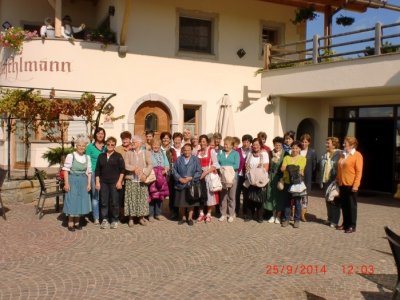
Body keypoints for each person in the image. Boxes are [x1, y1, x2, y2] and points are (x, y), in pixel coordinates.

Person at [62, 137, 92, 231]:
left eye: (83, 146)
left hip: (83, 180)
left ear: (85, 147)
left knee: (81, 200)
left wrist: (89, 184)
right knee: (72, 200)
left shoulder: (87, 157)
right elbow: (66, 171)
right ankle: (70, 222)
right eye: (79, 145)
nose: (81, 147)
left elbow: (89, 172)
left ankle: (77, 222)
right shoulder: (71, 156)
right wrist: (66, 184)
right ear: (76, 146)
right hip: (73, 180)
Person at [95, 137, 125, 229]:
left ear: (115, 145)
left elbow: (122, 170)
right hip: (103, 182)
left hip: (114, 182)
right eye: (108, 144)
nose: (110, 146)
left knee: (115, 202)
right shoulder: (101, 156)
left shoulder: (118, 156)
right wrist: (97, 182)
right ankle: (104, 219)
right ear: (106, 145)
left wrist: (119, 182)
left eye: (112, 144)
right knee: (104, 201)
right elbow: (97, 170)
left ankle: (114, 219)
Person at [124, 135, 153, 227]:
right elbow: (125, 165)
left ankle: (141, 218)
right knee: (131, 199)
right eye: (132, 141)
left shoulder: (146, 153)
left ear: (140, 143)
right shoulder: (128, 153)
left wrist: (145, 174)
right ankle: (131, 218)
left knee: (142, 199)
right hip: (131, 179)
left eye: (134, 142)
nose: (132, 143)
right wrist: (134, 168)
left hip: (142, 179)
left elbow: (150, 164)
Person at [336, 136, 363, 234]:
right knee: (344, 205)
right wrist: (338, 179)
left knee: (351, 206)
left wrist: (356, 185)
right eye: (344, 143)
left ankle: (352, 225)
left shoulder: (357, 155)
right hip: (342, 183)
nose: (343, 145)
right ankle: (345, 223)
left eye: (345, 143)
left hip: (351, 184)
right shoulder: (342, 154)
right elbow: (339, 168)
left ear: (352, 145)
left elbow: (359, 171)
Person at [173, 143, 202, 226]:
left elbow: (199, 171)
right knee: (181, 203)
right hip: (180, 183)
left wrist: (191, 178)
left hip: (191, 184)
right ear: (183, 150)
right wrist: (180, 178)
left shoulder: (195, 159)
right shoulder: (179, 159)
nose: (186, 152)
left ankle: (190, 218)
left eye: (188, 150)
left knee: (191, 203)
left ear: (191, 150)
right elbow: (174, 170)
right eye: (185, 150)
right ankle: (183, 217)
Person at [281, 141, 307, 228]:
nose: (294, 150)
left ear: (299, 149)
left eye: (296, 148)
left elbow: (299, 169)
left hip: (297, 183)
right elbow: (282, 168)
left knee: (297, 202)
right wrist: (291, 168)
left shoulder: (303, 158)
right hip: (287, 182)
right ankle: (286, 219)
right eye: (293, 148)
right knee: (287, 202)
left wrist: (289, 167)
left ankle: (297, 220)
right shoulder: (286, 157)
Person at [244, 138, 269, 223]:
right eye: (254, 145)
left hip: (261, 180)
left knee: (259, 198)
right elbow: (246, 165)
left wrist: (257, 178)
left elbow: (266, 167)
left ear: (260, 145)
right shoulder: (250, 153)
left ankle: (259, 216)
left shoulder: (264, 154)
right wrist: (251, 177)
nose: (255, 146)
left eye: (257, 144)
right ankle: (249, 215)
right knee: (249, 198)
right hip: (250, 179)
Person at [318, 137, 341, 228]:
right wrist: (320, 180)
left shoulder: (339, 154)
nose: (326, 145)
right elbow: (321, 169)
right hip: (326, 180)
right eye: (326, 143)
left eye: (328, 143)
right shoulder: (325, 155)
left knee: (334, 201)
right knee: (327, 200)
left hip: (335, 181)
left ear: (334, 144)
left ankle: (335, 221)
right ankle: (330, 218)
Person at [197, 135, 220, 223]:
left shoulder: (211, 151)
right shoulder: (197, 152)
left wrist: (205, 173)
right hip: (199, 175)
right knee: (200, 195)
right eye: (201, 141)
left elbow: (215, 165)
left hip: (209, 175)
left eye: (204, 141)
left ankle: (209, 214)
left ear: (207, 142)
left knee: (209, 195)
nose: (202, 143)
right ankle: (201, 213)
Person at [86, 127, 106, 225]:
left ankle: (104, 216)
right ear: (95, 135)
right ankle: (96, 217)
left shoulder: (106, 147)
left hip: (105, 174)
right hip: (94, 174)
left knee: (104, 196)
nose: (100, 135)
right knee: (96, 196)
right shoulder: (90, 147)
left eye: (102, 133)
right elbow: (87, 162)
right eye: (98, 133)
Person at [217, 136, 240, 223]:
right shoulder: (221, 153)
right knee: (223, 196)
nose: (225, 146)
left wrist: (225, 168)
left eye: (227, 144)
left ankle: (231, 214)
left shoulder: (235, 153)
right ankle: (223, 214)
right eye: (224, 144)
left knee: (231, 196)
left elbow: (236, 165)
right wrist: (222, 168)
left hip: (232, 178)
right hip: (222, 178)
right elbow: (217, 163)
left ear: (231, 145)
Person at [264, 136, 286, 224]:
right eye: (276, 145)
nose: (277, 147)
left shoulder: (285, 154)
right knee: (271, 195)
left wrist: (283, 178)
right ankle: (273, 215)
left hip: (280, 177)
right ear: (274, 145)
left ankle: (278, 216)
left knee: (279, 196)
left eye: (279, 145)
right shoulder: (270, 153)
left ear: (282, 145)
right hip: (271, 176)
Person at [148, 138, 170, 221]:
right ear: (151, 145)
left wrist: (165, 170)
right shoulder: (149, 154)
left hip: (162, 177)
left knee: (160, 196)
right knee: (152, 196)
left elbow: (167, 164)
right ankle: (150, 215)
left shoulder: (163, 154)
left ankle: (158, 213)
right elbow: (147, 164)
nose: (156, 146)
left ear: (160, 146)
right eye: (154, 145)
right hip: (152, 177)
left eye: (157, 145)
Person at [299, 133, 317, 222]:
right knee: (297, 195)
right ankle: (296, 213)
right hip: (298, 177)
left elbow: (314, 166)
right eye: (302, 142)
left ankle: (303, 214)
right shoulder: (298, 150)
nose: (303, 143)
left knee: (305, 196)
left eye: (306, 142)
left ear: (309, 142)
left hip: (307, 177)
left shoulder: (312, 152)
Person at [115, 131, 132, 221]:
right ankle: (121, 214)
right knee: (121, 197)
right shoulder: (118, 149)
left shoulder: (133, 148)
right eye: (123, 139)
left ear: (129, 139)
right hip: (120, 177)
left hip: (131, 176)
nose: (125, 140)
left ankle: (130, 215)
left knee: (129, 197)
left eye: (126, 138)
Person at [167, 132, 183, 220]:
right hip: (172, 175)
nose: (177, 141)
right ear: (173, 140)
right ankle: (174, 212)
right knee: (173, 194)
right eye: (175, 139)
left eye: (179, 139)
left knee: (182, 194)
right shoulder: (169, 150)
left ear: (181, 140)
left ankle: (184, 212)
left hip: (183, 175)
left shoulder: (184, 149)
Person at [235, 134, 253, 218]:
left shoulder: (252, 151)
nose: (246, 143)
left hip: (247, 176)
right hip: (238, 175)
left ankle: (245, 212)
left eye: (248, 142)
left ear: (250, 143)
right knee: (237, 194)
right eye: (244, 141)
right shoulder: (237, 151)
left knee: (246, 195)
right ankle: (236, 211)